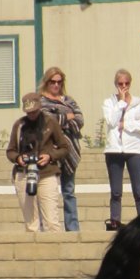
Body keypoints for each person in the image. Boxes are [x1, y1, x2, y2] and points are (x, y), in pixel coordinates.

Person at [6, 93, 70, 232]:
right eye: (29, 112)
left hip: (47, 173)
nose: (32, 115)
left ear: (39, 107)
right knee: (31, 223)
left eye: (34, 111)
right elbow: (10, 151)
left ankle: (54, 245)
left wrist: (50, 156)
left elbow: (64, 147)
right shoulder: (19, 125)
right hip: (24, 174)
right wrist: (18, 158)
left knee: (52, 222)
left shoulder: (50, 122)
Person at [102, 68, 140, 231]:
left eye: (126, 83)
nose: (123, 86)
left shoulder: (139, 102)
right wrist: (121, 102)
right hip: (114, 150)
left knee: (138, 190)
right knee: (116, 191)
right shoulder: (109, 103)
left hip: (135, 150)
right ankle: (115, 221)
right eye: (120, 84)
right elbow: (111, 121)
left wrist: (127, 125)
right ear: (115, 84)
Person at [39, 66, 83, 232]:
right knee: (48, 192)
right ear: (47, 82)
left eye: (59, 82)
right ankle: (49, 226)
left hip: (70, 151)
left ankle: (72, 228)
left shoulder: (68, 100)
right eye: (53, 82)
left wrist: (59, 119)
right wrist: (67, 117)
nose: (56, 85)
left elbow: (80, 120)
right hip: (50, 152)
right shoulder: (41, 101)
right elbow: (46, 120)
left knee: (69, 191)